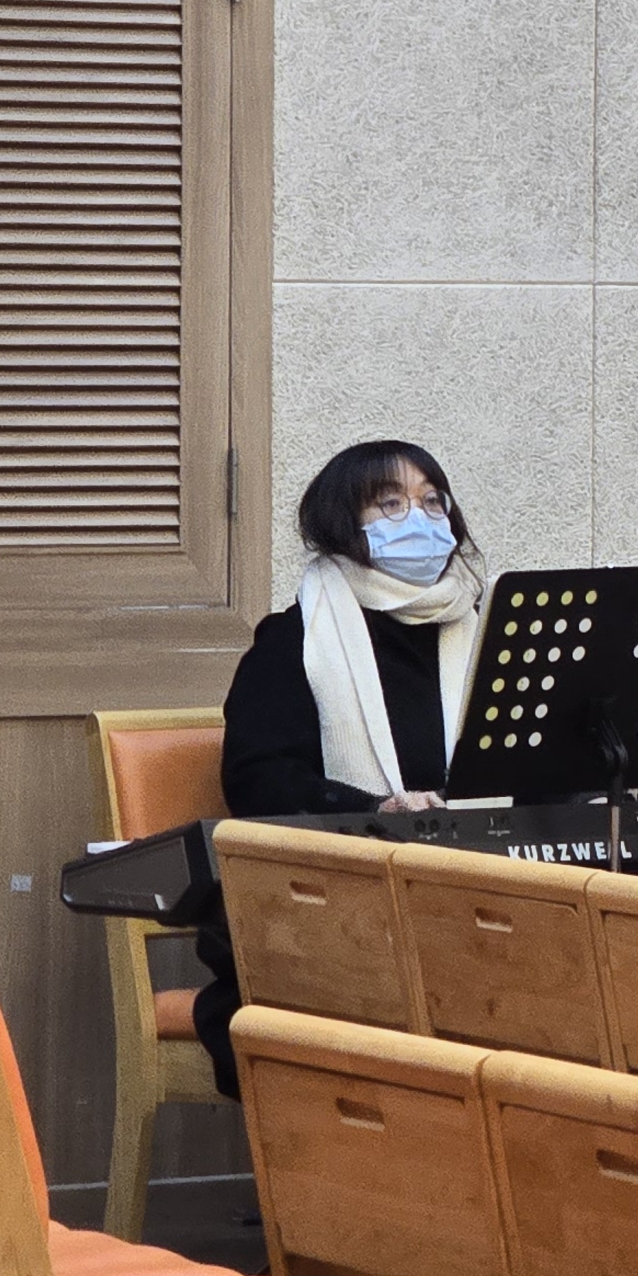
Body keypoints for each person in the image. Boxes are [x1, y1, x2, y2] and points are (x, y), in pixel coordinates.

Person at [185, 441, 493, 1091]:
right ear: (342, 524)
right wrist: (375, 811)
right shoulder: (295, 641)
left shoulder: (483, 639)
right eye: (392, 504)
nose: (419, 518)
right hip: (336, 907)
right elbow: (259, 779)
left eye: (432, 502)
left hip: (475, 898)